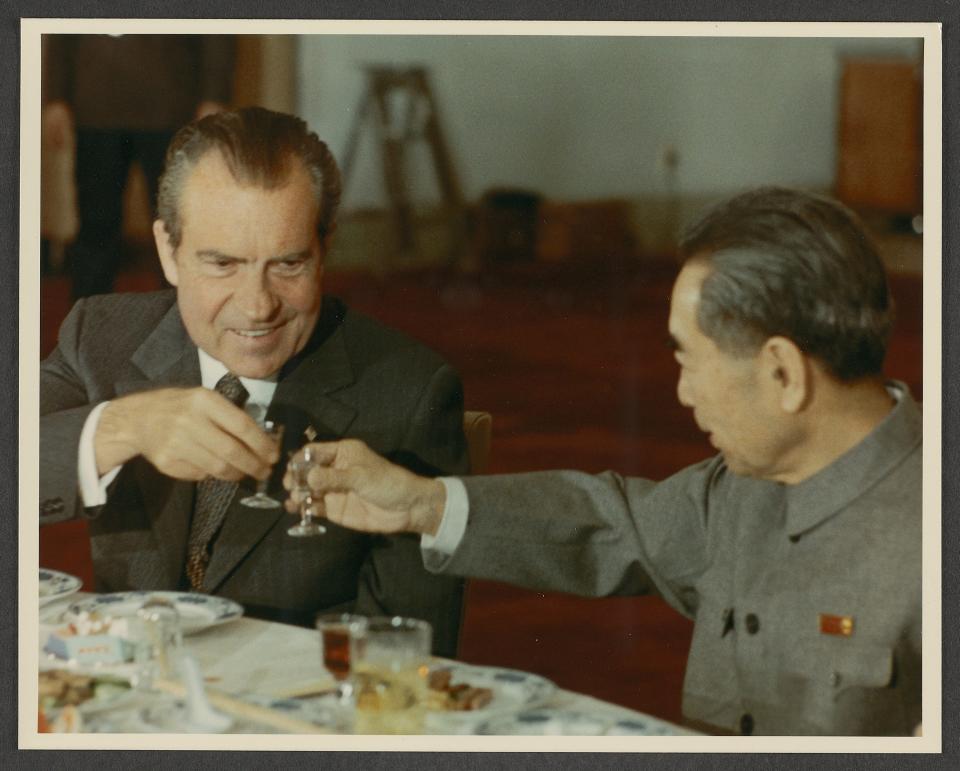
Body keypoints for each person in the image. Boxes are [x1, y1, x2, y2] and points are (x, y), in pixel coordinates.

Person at [285, 187, 922, 735]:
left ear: (782, 372)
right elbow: (612, 522)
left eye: (687, 360)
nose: (682, 392)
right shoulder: (743, 490)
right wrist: (421, 504)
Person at [39, 106, 469, 656]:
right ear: (168, 252)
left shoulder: (410, 393)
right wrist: (122, 427)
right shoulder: (102, 335)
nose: (257, 306)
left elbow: (403, 660)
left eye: (288, 265)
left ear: (324, 249)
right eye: (222, 264)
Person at [42, 34, 236, 298]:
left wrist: (214, 94)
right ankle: (89, 325)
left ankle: (184, 324)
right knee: (95, 226)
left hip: (171, 103)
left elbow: (216, 24)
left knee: (177, 225)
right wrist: (55, 97)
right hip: (95, 104)